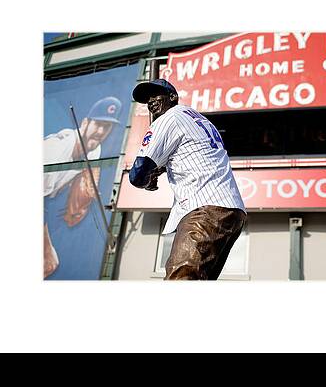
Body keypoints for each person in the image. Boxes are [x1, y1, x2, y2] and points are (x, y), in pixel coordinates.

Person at [129, 79, 247, 280]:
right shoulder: (199, 119)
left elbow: (138, 174)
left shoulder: (168, 118)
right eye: (147, 99)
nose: (150, 101)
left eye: (156, 95)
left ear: (173, 97)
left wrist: (147, 180)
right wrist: (160, 169)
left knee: (180, 278)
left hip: (204, 210)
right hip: (232, 212)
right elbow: (190, 156)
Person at [43, 96, 122, 278]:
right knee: (49, 263)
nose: (101, 131)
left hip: (47, 195)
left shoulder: (94, 149)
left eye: (107, 126)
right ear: (85, 122)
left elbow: (86, 174)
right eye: (98, 124)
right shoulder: (53, 152)